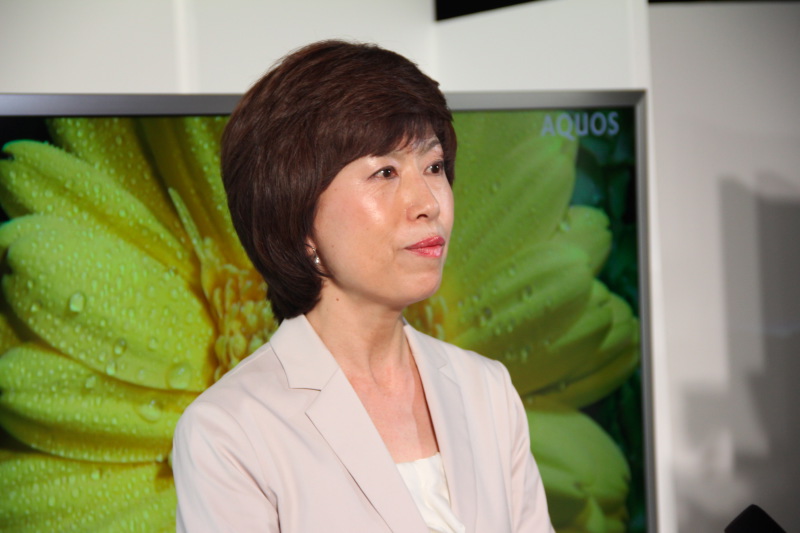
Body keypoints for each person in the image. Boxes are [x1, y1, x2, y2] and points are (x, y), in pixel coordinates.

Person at [172, 40, 555, 533]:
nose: (429, 203)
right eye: (385, 172)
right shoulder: (228, 431)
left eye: (434, 166)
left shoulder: (488, 389)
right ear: (298, 220)